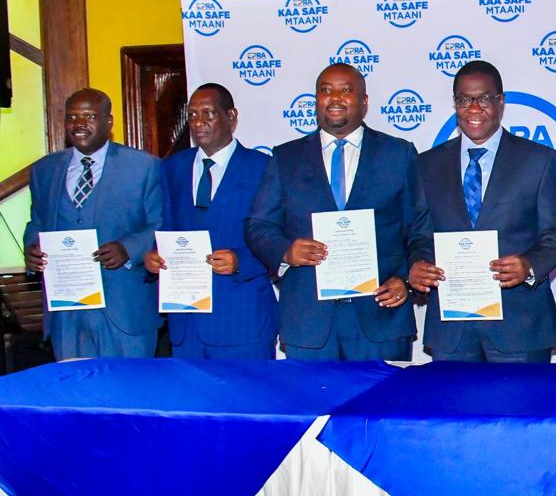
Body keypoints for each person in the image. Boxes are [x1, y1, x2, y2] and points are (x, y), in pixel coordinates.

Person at [245, 63, 419, 361]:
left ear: (364, 102)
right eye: (325, 90)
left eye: (346, 90)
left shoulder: (398, 153)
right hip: (308, 323)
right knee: (313, 407)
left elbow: (419, 228)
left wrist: (405, 280)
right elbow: (258, 225)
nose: (334, 97)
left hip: (380, 318)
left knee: (378, 408)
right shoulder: (286, 157)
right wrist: (286, 251)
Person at [406, 61, 556, 362]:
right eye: (464, 99)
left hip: (519, 325)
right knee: (455, 409)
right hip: (452, 327)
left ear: (500, 101)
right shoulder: (427, 165)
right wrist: (417, 264)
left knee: (520, 409)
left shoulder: (538, 160)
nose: (474, 108)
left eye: (483, 98)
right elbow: (420, 233)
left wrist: (529, 265)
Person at [24, 88, 164, 359]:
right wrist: (31, 248)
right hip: (66, 311)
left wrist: (129, 249)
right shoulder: (44, 170)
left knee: (128, 393)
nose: (79, 125)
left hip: (124, 308)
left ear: (108, 122)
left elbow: (161, 222)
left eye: (89, 116)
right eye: (72, 117)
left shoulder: (144, 166)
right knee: (75, 395)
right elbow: (37, 222)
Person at [144, 83, 277, 359]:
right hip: (186, 325)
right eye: (192, 115)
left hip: (243, 322)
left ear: (231, 116)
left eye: (208, 113)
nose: (199, 122)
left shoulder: (264, 167)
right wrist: (153, 258)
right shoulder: (171, 168)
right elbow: (163, 228)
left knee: (245, 402)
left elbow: (279, 236)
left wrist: (242, 262)